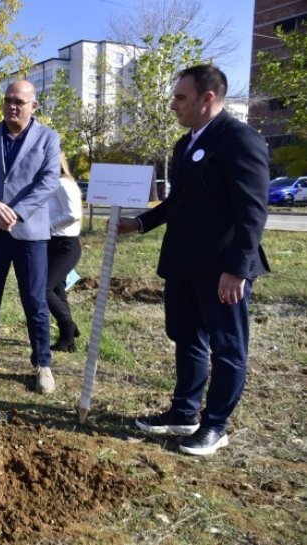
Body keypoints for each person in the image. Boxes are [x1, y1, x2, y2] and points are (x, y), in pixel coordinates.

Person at [116, 65, 269, 456]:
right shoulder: (185, 145)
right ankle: (184, 412)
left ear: (208, 99)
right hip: (184, 263)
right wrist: (141, 222)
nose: (173, 105)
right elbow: (179, 202)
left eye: (180, 98)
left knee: (227, 346)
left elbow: (252, 211)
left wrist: (236, 269)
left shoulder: (239, 140)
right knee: (186, 338)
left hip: (222, 269)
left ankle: (215, 426)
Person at [0, 80, 61, 394]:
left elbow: (48, 182)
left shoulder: (48, 138)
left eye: (19, 101)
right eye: (7, 100)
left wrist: (16, 212)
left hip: (29, 234)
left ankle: (42, 363)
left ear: (34, 106)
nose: (11, 106)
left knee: (34, 300)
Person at [46, 152, 83, 352]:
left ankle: (68, 327)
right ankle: (68, 339)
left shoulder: (63, 183)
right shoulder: (54, 184)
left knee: (44, 289)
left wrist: (48, 226)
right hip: (54, 243)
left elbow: (73, 214)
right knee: (58, 290)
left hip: (65, 245)